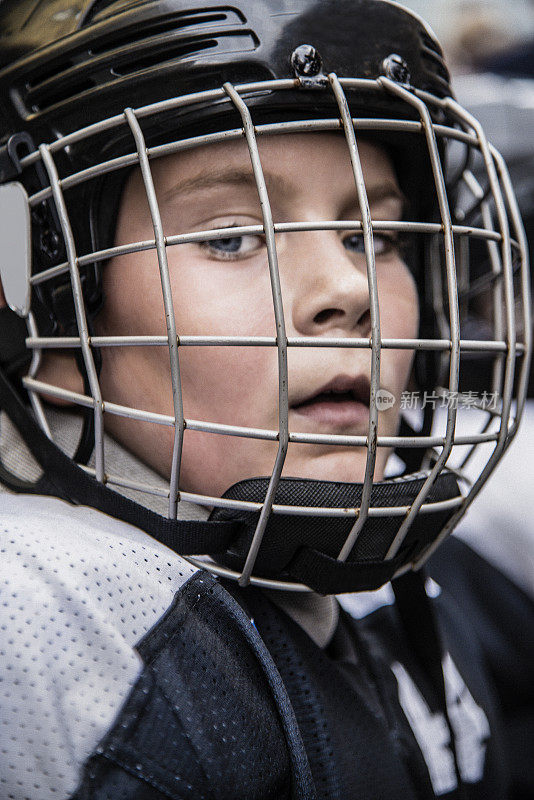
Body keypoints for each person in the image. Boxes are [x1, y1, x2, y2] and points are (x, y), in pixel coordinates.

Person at [0, 1, 532, 798]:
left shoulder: (425, 571)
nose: (349, 287)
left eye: (374, 238)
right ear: (50, 309)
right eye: (229, 236)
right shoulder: (55, 616)